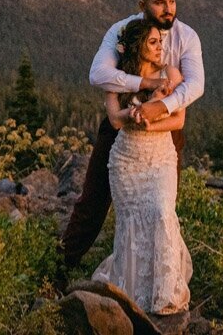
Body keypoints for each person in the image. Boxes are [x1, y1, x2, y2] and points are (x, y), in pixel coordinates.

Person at [60, 0, 205, 271]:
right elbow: (97, 74)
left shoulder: (186, 37)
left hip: (165, 136)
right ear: (142, 4)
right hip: (121, 134)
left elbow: (195, 85)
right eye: (160, 3)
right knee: (94, 201)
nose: (169, 9)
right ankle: (61, 268)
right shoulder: (122, 31)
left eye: (172, 1)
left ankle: (157, 276)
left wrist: (160, 106)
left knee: (162, 209)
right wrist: (144, 83)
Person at [88, 18, 193, 316]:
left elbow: (178, 120)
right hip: (126, 161)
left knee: (161, 212)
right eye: (153, 42)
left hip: (160, 157)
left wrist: (149, 122)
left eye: (161, 42)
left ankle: (165, 294)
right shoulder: (118, 77)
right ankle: (133, 292)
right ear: (137, 46)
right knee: (131, 222)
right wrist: (136, 113)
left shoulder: (170, 73)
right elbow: (114, 120)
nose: (161, 48)